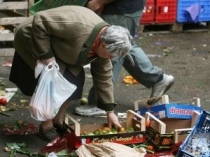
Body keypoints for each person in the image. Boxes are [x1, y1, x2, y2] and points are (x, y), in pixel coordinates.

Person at [9, 5, 133, 141]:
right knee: (55, 81)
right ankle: (46, 126)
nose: (110, 58)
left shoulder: (104, 46)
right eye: (110, 55)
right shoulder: (78, 25)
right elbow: (40, 21)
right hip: (33, 36)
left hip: (62, 47)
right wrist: (46, 55)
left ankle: (57, 119)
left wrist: (110, 111)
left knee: (75, 80)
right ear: (103, 45)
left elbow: (104, 78)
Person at [75, 0, 175, 116]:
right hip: (124, 8)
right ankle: (157, 78)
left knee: (110, 49)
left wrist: (98, 1)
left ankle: (101, 103)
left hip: (121, 9)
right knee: (122, 46)